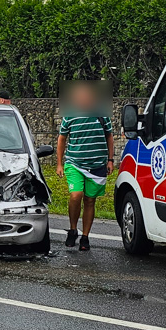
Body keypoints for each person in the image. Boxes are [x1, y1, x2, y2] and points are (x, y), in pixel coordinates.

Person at [56, 96, 114, 252]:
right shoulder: (70, 115)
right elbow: (62, 138)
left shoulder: (102, 114)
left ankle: (85, 237)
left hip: (97, 165)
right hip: (75, 163)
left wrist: (110, 160)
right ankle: (73, 229)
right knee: (76, 195)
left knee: (90, 200)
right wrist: (60, 163)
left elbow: (109, 136)